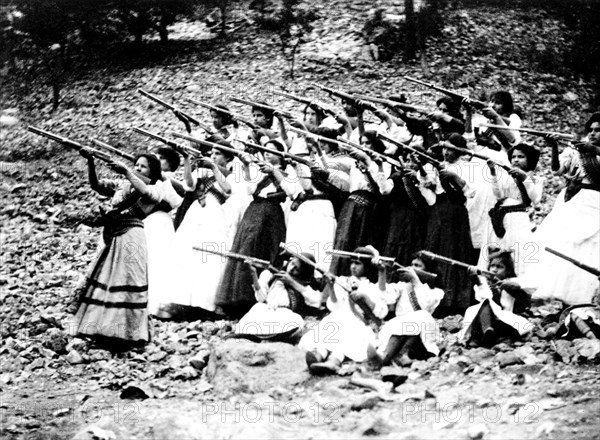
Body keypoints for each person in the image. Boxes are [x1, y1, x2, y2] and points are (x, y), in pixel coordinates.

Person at [74, 152, 164, 348]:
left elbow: (146, 193)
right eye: (136, 165)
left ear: (153, 171)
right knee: (108, 278)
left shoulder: (156, 188)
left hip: (131, 236)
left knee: (127, 278)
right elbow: (96, 185)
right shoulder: (123, 184)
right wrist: (90, 161)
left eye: (143, 167)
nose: (138, 168)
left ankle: (127, 333)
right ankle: (102, 329)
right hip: (114, 234)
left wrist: (127, 172)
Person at [216, 140, 299, 318]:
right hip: (254, 211)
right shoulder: (260, 170)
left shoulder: (288, 172)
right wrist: (246, 165)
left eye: (272, 151)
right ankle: (237, 299)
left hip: (272, 213)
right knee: (246, 248)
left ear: (281, 154)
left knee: (265, 251)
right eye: (265, 151)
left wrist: (275, 172)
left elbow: (291, 190)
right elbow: (249, 188)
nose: (267, 153)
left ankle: (256, 298)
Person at [160, 143, 234, 319]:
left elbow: (228, 189)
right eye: (212, 153)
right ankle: (183, 300)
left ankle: (206, 303)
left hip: (215, 213)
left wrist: (214, 168)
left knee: (209, 258)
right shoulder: (202, 171)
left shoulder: (230, 175)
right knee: (186, 254)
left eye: (218, 154)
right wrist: (187, 160)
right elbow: (189, 185)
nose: (214, 156)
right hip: (196, 212)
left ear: (228, 158)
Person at [532, 113, 600, 305]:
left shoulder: (590, 149)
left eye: (598, 130)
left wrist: (594, 149)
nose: (593, 133)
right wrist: (554, 146)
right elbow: (557, 169)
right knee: (564, 243)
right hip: (574, 199)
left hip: (596, 201)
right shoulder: (578, 149)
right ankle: (559, 298)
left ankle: (582, 298)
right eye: (591, 130)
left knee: (589, 247)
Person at [300, 246, 388, 375]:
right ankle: (318, 355)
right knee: (329, 330)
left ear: (367, 267)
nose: (353, 266)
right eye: (352, 262)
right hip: (339, 317)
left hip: (359, 323)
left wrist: (365, 297)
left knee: (347, 337)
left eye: (358, 263)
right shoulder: (342, 281)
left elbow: (381, 312)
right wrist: (331, 286)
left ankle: (333, 361)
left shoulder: (372, 287)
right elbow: (334, 306)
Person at [423, 134, 475, 317]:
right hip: (439, 209)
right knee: (436, 248)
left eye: (450, 148)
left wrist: (455, 177)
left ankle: (456, 299)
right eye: (444, 148)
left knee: (453, 249)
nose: (446, 152)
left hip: (456, 211)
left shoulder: (466, 167)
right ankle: (436, 299)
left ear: (460, 151)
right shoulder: (437, 166)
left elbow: (471, 193)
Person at [482, 143, 543, 277]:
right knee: (496, 252)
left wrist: (525, 178)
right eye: (513, 157)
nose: (516, 160)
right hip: (501, 218)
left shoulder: (535, 179)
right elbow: (498, 195)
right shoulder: (506, 177)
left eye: (520, 157)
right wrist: (493, 173)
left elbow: (536, 199)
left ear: (530, 160)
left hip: (517, 219)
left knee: (517, 253)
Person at [369, 258, 444, 367]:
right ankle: (385, 358)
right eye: (412, 264)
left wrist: (415, 280)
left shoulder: (436, 291)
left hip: (423, 330)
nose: (412, 268)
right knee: (399, 328)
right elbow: (385, 295)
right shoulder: (403, 286)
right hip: (401, 326)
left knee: (421, 316)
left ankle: (397, 358)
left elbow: (428, 303)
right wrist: (382, 271)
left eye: (418, 266)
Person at [234, 253, 323, 343]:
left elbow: (316, 301)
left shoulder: (302, 284)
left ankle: (264, 337)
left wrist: (291, 282)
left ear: (302, 272)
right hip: (265, 310)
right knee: (255, 314)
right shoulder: (271, 275)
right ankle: (256, 336)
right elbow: (260, 298)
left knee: (295, 322)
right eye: (292, 264)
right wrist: (253, 274)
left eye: (297, 269)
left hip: (285, 314)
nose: (291, 269)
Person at [459, 249, 533, 347]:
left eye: (499, 267)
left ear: (508, 270)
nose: (494, 269)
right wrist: (477, 281)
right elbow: (483, 297)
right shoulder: (485, 283)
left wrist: (509, 286)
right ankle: (487, 332)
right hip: (487, 318)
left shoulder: (511, 282)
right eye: (492, 266)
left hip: (506, 319)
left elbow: (526, 295)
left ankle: (486, 334)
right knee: (484, 304)